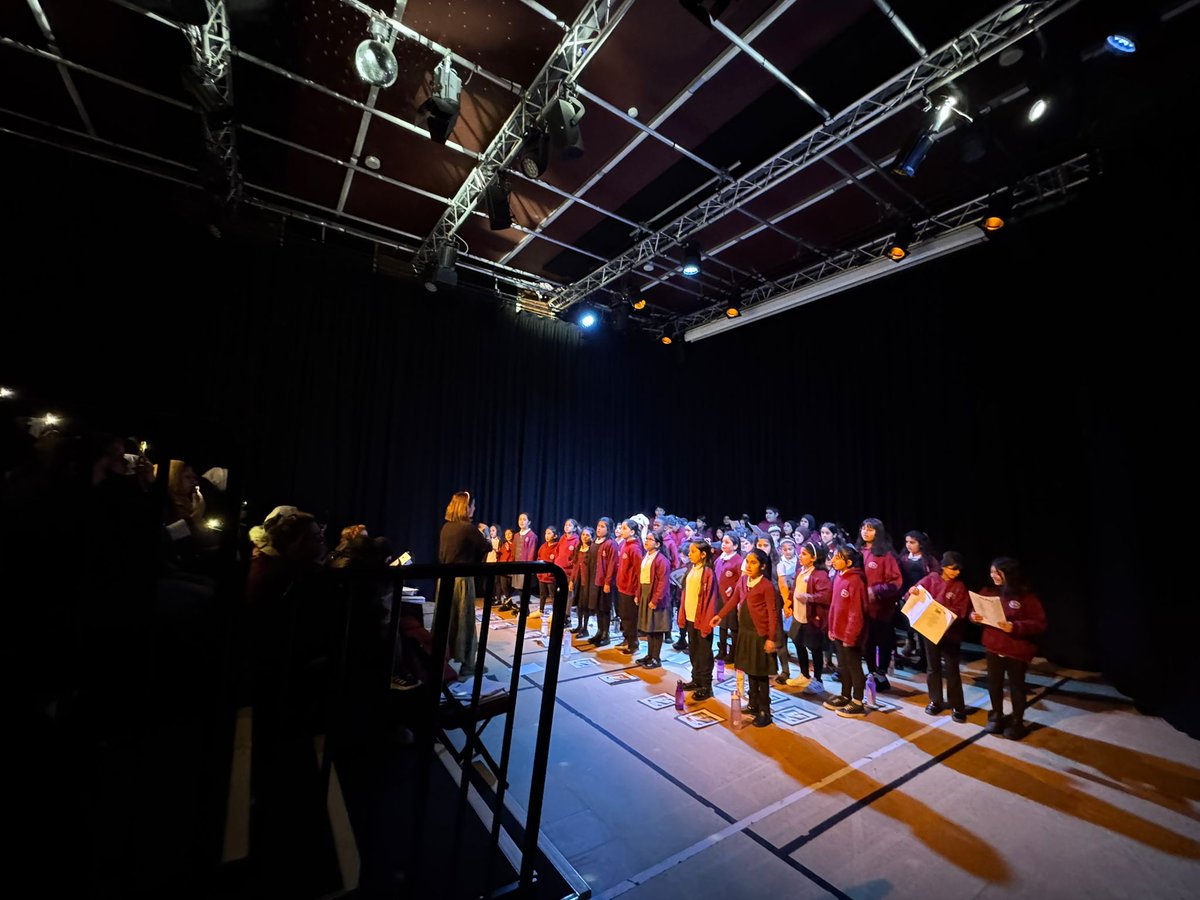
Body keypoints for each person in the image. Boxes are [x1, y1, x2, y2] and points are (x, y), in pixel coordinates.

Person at [970, 557, 1047, 740]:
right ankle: (996, 716)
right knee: (994, 684)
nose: (994, 575)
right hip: (993, 646)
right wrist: (974, 616)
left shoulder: (1025, 595)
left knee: (1016, 686)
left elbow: (1040, 623)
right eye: (992, 572)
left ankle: (1017, 723)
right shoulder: (988, 591)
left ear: (1009, 574)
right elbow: (974, 611)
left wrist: (1015, 627)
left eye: (998, 572)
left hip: (1016, 649)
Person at [710, 548, 779, 727]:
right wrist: (721, 615)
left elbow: (772, 613)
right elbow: (733, 600)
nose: (748, 565)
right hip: (745, 632)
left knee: (760, 674)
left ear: (763, 566)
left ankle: (765, 711)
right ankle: (754, 704)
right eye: (747, 562)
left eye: (753, 563)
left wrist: (771, 638)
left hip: (759, 634)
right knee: (750, 670)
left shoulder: (766, 586)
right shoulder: (743, 580)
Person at [908, 551, 971, 722]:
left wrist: (946, 616)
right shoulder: (931, 579)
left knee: (952, 670)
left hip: (950, 634)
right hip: (930, 632)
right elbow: (914, 594)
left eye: (958, 570)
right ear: (943, 567)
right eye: (952, 569)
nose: (956, 572)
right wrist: (912, 592)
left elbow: (962, 611)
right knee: (933, 668)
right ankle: (935, 700)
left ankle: (957, 705)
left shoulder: (959, 587)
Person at [437, 491, 490, 680]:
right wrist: (484, 532)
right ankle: (468, 664)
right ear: (465, 507)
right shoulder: (468, 528)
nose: (474, 508)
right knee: (465, 622)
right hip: (461, 582)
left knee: (446, 621)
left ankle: (441, 659)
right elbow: (487, 547)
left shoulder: (446, 527)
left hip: (444, 581)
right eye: (472, 505)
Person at [822, 544, 869, 718]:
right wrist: (832, 628)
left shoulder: (856, 581)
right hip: (838, 632)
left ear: (848, 562)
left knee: (854, 667)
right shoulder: (839, 577)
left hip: (850, 635)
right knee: (843, 666)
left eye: (838, 558)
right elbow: (835, 607)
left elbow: (857, 612)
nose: (833, 560)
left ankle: (857, 701)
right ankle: (845, 694)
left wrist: (851, 636)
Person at [859, 518, 902, 690]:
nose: (865, 532)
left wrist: (875, 591)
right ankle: (870, 672)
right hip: (862, 609)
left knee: (882, 642)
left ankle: (881, 673)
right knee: (867, 642)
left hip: (881, 610)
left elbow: (896, 582)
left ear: (878, 532)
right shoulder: (858, 552)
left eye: (870, 529)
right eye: (863, 528)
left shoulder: (885, 555)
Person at [679, 540, 718, 699]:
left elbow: (711, 599)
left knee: (704, 653)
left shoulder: (708, 572)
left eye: (693, 552)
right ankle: (696, 679)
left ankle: (706, 686)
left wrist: (706, 622)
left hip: (702, 619)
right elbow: (685, 594)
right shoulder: (691, 569)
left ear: (703, 555)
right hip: (690, 616)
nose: (689, 554)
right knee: (694, 650)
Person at [792, 541, 832, 691]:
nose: (800, 556)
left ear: (813, 557)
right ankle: (804, 674)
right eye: (800, 553)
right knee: (798, 643)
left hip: (812, 619)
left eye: (804, 554)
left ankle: (818, 679)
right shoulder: (800, 571)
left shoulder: (820, 575)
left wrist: (810, 597)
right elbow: (795, 590)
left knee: (815, 649)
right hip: (798, 616)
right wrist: (789, 604)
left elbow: (827, 595)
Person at [636, 530, 672, 668]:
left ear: (657, 544)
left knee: (657, 628)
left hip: (657, 597)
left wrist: (655, 599)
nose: (646, 541)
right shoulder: (646, 557)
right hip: (645, 593)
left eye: (650, 539)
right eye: (646, 539)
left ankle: (656, 658)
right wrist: (638, 594)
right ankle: (650, 655)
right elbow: (641, 578)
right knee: (649, 627)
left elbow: (663, 582)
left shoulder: (661, 560)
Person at [614, 519, 644, 655]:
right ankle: (626, 639)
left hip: (630, 589)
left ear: (632, 532)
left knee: (630, 617)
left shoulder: (634, 548)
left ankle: (633, 644)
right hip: (622, 587)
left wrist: (638, 592)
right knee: (624, 616)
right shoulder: (624, 545)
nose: (621, 530)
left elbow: (639, 572)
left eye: (625, 528)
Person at [590, 517, 618, 647]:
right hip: (595, 580)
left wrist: (607, 582)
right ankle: (599, 632)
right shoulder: (595, 542)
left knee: (604, 608)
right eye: (598, 525)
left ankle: (606, 635)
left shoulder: (610, 543)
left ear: (608, 529)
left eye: (602, 526)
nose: (599, 528)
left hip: (604, 582)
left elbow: (612, 564)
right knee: (597, 608)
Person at [714, 533, 742, 662]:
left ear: (735, 546)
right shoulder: (720, 558)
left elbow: (742, 580)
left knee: (733, 626)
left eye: (727, 542)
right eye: (723, 542)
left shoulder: (738, 560)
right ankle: (722, 650)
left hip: (731, 599)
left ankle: (734, 652)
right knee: (722, 624)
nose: (723, 544)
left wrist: (733, 588)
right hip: (719, 596)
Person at [571, 526, 598, 637]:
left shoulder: (592, 549)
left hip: (587, 582)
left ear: (592, 537)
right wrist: (572, 580)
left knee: (585, 605)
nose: (584, 537)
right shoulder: (578, 548)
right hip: (578, 580)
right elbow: (575, 565)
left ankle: (585, 628)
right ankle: (579, 625)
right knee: (579, 605)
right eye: (583, 534)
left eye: (587, 535)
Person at [535, 525, 560, 614]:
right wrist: (539, 573)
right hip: (542, 576)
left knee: (553, 595)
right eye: (546, 533)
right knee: (542, 595)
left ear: (555, 536)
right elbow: (538, 558)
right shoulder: (542, 547)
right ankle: (541, 610)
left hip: (551, 578)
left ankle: (555, 612)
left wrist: (551, 573)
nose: (546, 535)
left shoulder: (557, 547)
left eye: (549, 533)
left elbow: (558, 561)